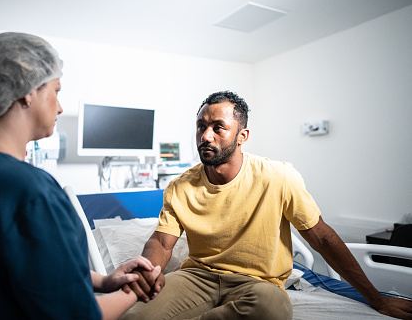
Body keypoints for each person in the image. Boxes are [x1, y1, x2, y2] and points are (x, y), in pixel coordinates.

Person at [122, 91, 412, 319]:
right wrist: (147, 274)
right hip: (198, 276)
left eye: (218, 127)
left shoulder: (279, 177)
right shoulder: (180, 187)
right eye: (201, 126)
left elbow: (322, 238)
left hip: (259, 283)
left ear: (242, 136)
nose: (205, 136)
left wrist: (377, 298)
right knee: (134, 315)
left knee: (271, 311)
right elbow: (161, 243)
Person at [0, 32, 160, 320]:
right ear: (27, 91)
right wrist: (135, 290)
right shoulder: (30, 191)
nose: (61, 106)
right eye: (56, 90)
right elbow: (79, 315)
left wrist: (103, 281)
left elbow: (22, 268)